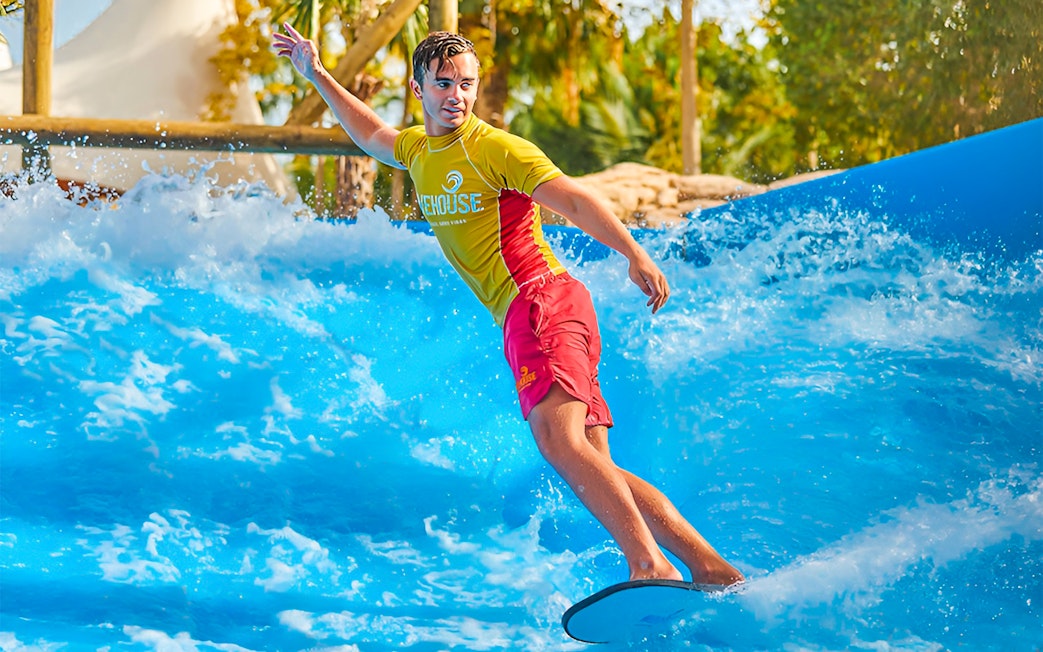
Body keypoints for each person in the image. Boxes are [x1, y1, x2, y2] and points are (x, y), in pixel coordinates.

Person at [273, 25, 744, 586]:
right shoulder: (419, 150)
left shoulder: (493, 147)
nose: (457, 96)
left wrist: (633, 252)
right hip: (548, 308)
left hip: (540, 301)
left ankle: (649, 566)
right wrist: (318, 75)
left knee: (558, 441)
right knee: (597, 463)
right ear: (417, 87)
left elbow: (571, 196)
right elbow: (371, 131)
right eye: (443, 83)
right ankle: (710, 568)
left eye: (467, 84)